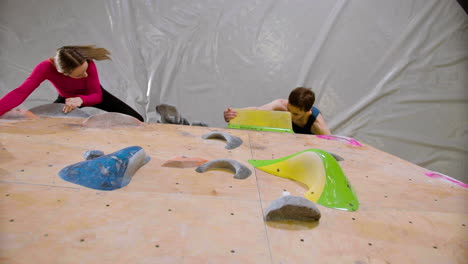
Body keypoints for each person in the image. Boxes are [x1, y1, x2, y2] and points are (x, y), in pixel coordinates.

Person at [0, 45, 144, 121]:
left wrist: (81, 99)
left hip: (92, 94)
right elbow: (20, 92)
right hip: (66, 100)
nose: (86, 74)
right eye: (80, 75)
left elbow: (97, 96)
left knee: (138, 119)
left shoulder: (87, 62)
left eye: (86, 70)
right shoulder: (44, 68)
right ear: (64, 73)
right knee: (50, 126)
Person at [223, 87, 331, 135]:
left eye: (295, 114)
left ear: (308, 111)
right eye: (288, 109)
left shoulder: (318, 126)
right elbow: (258, 110)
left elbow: (332, 147)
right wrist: (233, 114)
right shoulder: (281, 105)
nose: (289, 115)